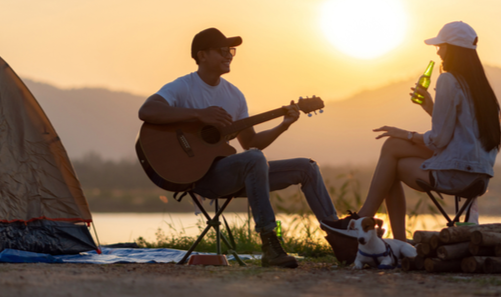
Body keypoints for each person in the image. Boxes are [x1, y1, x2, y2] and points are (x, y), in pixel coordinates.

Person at [138, 27, 349, 268]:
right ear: (202, 54)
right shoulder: (183, 87)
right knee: (254, 158)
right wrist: (199, 115)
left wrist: (284, 125)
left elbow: (251, 143)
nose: (229, 55)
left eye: (231, 51)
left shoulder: (234, 96)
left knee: (307, 167)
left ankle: (341, 240)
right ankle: (270, 243)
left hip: (232, 174)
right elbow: (147, 110)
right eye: (222, 50)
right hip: (198, 177)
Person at [354, 21, 501, 241]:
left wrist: (407, 134)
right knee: (392, 146)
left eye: (441, 45)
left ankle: (366, 222)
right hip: (478, 175)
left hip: (457, 173)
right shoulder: (482, 88)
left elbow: (440, 139)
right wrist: (431, 107)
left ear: (452, 48)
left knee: (392, 160)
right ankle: (382, 230)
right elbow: (461, 132)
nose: (438, 51)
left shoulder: (448, 79)